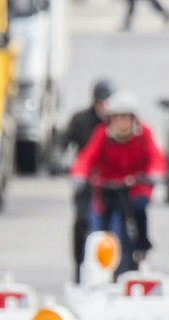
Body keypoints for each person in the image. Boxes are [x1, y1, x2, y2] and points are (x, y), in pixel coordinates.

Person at [70, 93, 166, 275]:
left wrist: (155, 173)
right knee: (94, 225)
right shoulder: (102, 135)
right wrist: (79, 174)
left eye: (125, 118)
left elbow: (156, 157)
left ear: (133, 119)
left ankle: (142, 247)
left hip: (134, 187)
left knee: (139, 209)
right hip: (106, 188)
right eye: (117, 118)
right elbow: (86, 158)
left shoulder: (144, 134)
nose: (121, 123)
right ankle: (90, 267)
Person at [62, 80, 116, 273]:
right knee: (83, 220)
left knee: (127, 219)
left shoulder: (118, 123)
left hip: (113, 182)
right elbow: (66, 144)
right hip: (86, 181)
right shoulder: (80, 120)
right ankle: (80, 266)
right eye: (101, 103)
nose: (105, 108)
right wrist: (62, 163)